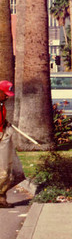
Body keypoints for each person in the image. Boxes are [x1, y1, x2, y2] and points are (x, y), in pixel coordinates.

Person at [0, 80, 25, 208]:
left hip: (2, 137)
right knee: (3, 171)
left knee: (5, 170)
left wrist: (5, 123)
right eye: (5, 94)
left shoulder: (1, 104)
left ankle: (1, 199)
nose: (7, 97)